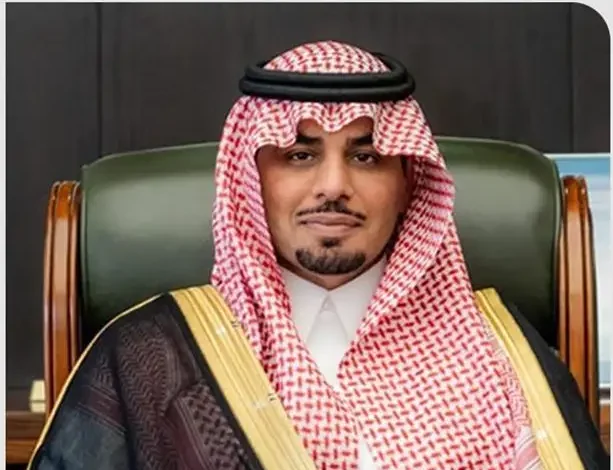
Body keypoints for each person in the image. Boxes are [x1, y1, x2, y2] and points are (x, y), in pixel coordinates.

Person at [28, 41, 607, 470]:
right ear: (251, 179)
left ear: (409, 182)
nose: (333, 185)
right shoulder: (147, 362)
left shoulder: (504, 358)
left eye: (366, 157)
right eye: (300, 156)